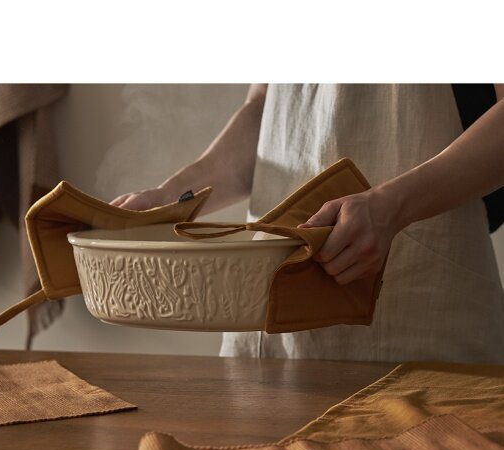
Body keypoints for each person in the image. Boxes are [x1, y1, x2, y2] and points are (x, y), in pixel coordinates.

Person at [111, 84, 504, 364]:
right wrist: (172, 198)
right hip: (271, 323)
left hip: (421, 309)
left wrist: (392, 208)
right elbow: (265, 111)